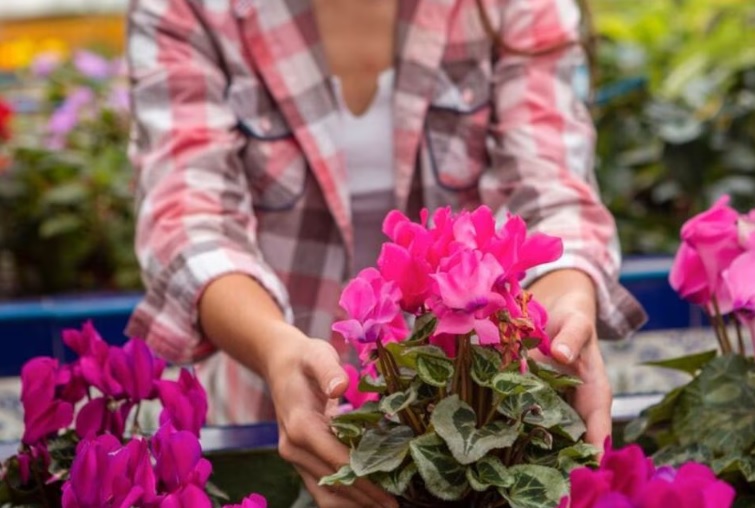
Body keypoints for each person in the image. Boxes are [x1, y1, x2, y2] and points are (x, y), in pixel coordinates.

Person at [124, 0, 646, 505]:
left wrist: (564, 309)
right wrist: (274, 350)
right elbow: (190, 220)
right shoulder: (191, 7)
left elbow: (551, 189)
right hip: (268, 413)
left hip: (474, 424)